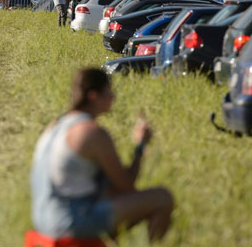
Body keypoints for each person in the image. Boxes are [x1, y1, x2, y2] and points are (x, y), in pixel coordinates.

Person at [31, 68, 174, 242]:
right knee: (162, 198)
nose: (113, 97)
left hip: (43, 221)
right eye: (109, 92)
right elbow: (127, 186)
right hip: (70, 223)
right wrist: (140, 146)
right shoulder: (91, 133)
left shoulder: (55, 126)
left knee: (107, 192)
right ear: (93, 96)